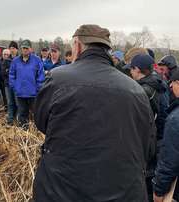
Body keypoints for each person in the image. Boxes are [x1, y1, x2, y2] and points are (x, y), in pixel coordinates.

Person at [33, 24, 156, 202]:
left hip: (62, 189)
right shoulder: (136, 90)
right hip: (123, 191)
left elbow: (41, 121)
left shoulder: (57, 79)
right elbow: (148, 146)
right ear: (107, 49)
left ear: (77, 45)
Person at [127, 54, 168, 200]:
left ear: (137, 69)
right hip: (159, 140)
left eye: (131, 69)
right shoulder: (158, 82)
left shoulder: (143, 91)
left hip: (149, 144)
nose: (130, 73)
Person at [152, 70, 179, 202]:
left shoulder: (175, 118)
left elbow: (169, 161)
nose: (170, 86)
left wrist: (159, 190)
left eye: (173, 82)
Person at [9, 39, 45, 129]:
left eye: (26, 48)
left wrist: (38, 88)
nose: (25, 50)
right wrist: (15, 87)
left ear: (31, 49)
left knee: (35, 113)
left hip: (33, 93)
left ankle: (36, 131)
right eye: (23, 48)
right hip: (20, 93)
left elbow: (41, 75)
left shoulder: (37, 60)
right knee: (22, 113)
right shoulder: (15, 61)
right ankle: (23, 132)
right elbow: (12, 75)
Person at [1, 49, 15, 124]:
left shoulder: (18, 60)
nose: (6, 56)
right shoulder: (6, 61)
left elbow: (17, 72)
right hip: (7, 84)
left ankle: (17, 118)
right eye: (4, 54)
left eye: (14, 48)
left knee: (17, 103)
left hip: (16, 85)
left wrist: (9, 71)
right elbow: (3, 72)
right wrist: (10, 72)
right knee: (9, 102)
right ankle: (10, 119)